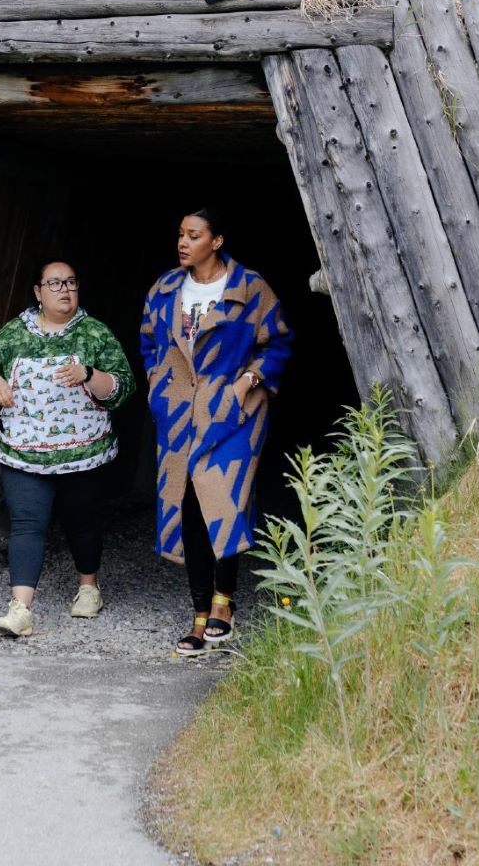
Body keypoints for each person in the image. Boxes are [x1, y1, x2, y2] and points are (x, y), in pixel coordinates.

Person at [140, 208, 292, 656]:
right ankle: (199, 614)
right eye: (180, 234)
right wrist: (157, 381)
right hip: (178, 415)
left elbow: (278, 340)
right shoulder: (165, 289)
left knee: (224, 501)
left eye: (193, 235)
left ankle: (225, 604)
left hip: (232, 414)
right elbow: (149, 340)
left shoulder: (249, 289)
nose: (183, 242)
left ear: (217, 241)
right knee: (187, 505)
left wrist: (248, 382)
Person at [0, 259, 135, 638]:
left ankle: (88, 588)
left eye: (71, 283)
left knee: (82, 521)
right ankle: (20, 610)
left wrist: (89, 375)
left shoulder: (94, 334)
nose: (65, 290)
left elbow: (124, 386)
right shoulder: (15, 334)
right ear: (38, 292)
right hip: (24, 451)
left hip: (82, 455)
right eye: (55, 283)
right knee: (27, 524)